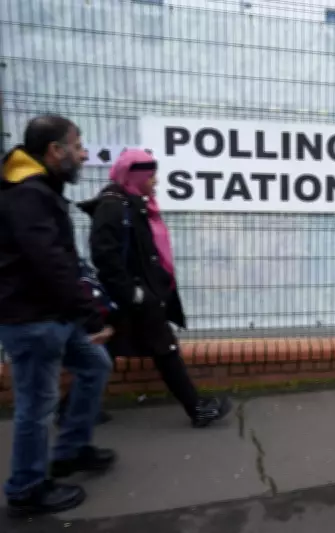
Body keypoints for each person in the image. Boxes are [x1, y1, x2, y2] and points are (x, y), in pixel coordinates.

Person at [0, 115, 116, 517]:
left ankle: (70, 451)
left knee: (95, 365)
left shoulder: (40, 190)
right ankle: (27, 487)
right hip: (33, 320)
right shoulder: (27, 195)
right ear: (55, 151)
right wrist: (91, 316)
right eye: (78, 145)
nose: (83, 154)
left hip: (55, 314)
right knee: (37, 404)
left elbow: (59, 261)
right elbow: (50, 263)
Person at [76, 148, 232, 427]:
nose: (155, 181)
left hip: (139, 293)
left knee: (111, 347)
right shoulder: (113, 207)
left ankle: (71, 410)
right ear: (133, 176)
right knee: (166, 349)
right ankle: (197, 409)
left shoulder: (133, 202)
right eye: (150, 176)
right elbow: (105, 256)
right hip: (135, 295)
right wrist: (134, 294)